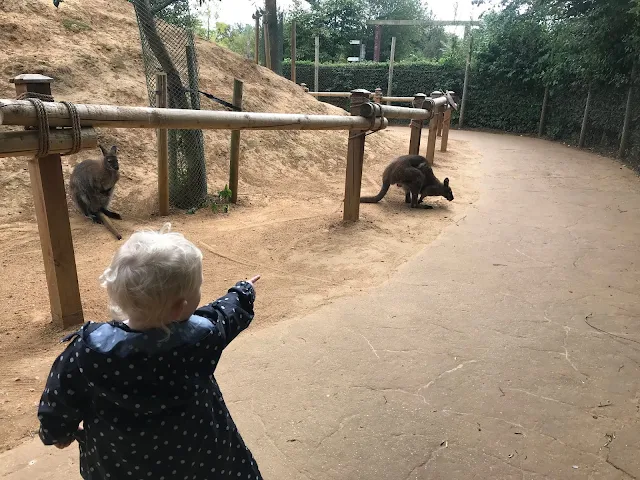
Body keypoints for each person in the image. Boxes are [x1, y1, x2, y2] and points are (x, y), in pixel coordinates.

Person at [37, 223, 262, 480]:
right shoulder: (201, 338)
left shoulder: (88, 352)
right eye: (198, 289)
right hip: (199, 459)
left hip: (120, 466)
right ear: (179, 308)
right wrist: (243, 291)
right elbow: (225, 315)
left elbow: (58, 399)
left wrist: (58, 432)